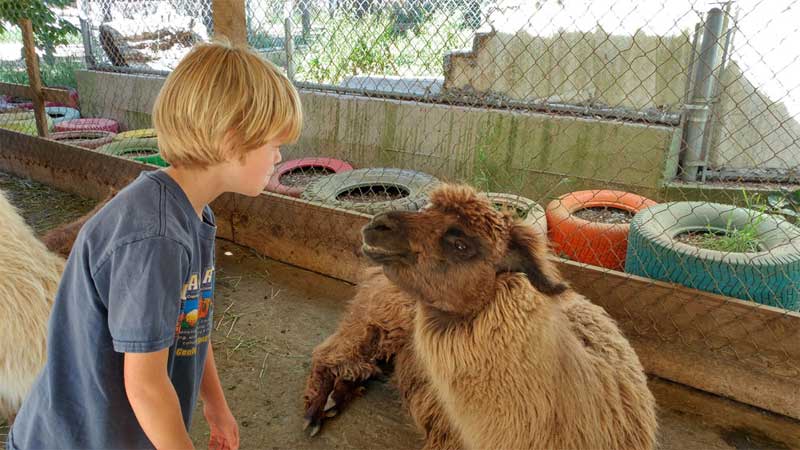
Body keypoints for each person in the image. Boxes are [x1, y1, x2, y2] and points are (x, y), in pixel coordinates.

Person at [7, 38, 302, 450]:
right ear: (232, 140)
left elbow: (192, 319)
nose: (278, 157)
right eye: (274, 145)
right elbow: (145, 386)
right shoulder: (156, 237)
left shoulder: (194, 214)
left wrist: (215, 404)